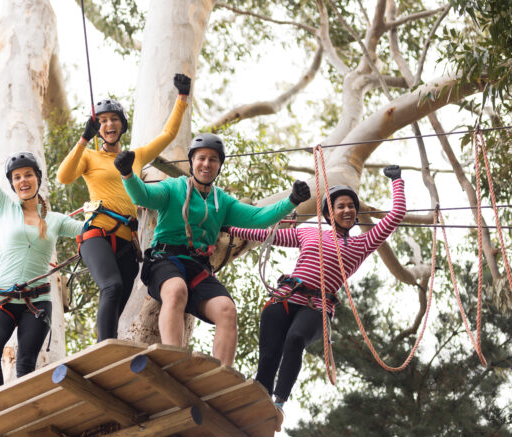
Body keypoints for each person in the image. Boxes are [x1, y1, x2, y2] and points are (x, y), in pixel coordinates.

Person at [114, 133, 311, 367]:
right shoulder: (173, 188)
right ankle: (173, 360)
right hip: (165, 259)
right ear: (192, 162)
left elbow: (258, 218)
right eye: (201, 158)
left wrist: (291, 200)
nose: (206, 164)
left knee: (227, 310)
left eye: (213, 160)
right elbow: (143, 196)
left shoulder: (222, 201)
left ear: (219, 166)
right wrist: (127, 173)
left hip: (197, 267)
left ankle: (222, 375)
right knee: (176, 290)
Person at [226, 165, 405, 408]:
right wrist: (228, 229)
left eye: (351, 206)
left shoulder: (363, 243)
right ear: (329, 213)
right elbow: (268, 236)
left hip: (317, 306)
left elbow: (396, 215)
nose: (347, 210)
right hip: (286, 297)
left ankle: (278, 401)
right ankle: (259, 399)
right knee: (269, 355)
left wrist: (397, 181)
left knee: (295, 338)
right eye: (340, 206)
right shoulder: (309, 233)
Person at [57, 74, 192, 342]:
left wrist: (182, 98)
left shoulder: (135, 157)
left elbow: (168, 134)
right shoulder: (89, 156)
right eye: (103, 120)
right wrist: (83, 139)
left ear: (122, 126)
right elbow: (64, 177)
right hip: (97, 234)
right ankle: (103, 349)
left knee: (119, 297)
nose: (109, 124)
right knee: (112, 285)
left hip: (127, 242)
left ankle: (110, 344)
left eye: (114, 119)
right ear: (97, 128)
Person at [0, 113, 83, 390]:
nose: (23, 180)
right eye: (17, 177)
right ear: (12, 184)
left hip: (37, 302)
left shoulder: (56, 219)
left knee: (26, 362)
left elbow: (86, 229)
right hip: (2, 296)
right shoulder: (4, 207)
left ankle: (24, 408)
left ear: (37, 179)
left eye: (28, 175)